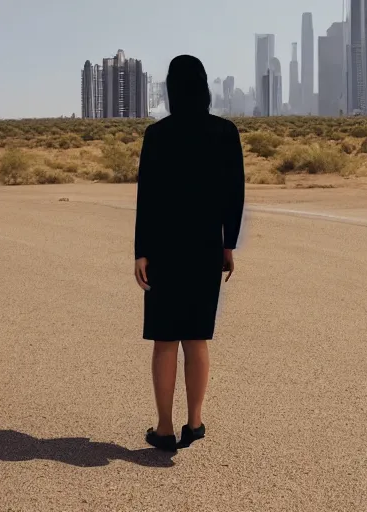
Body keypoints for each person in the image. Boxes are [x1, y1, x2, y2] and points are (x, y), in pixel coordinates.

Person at [133, 55, 245, 452]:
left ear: (170, 88)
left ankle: (164, 429)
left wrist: (141, 252)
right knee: (196, 338)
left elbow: (146, 198)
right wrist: (228, 243)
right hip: (204, 247)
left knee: (165, 340)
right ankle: (193, 423)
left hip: (163, 247)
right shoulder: (224, 132)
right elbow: (235, 195)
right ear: (204, 87)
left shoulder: (156, 135)